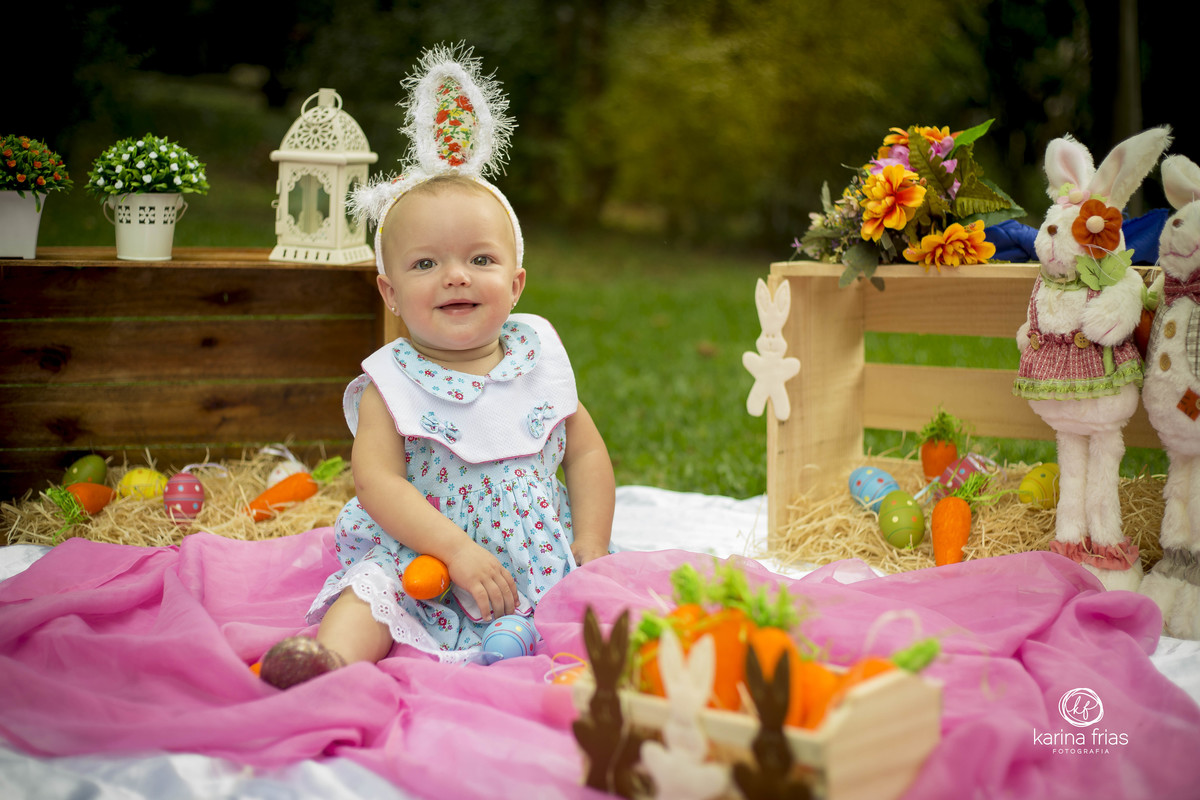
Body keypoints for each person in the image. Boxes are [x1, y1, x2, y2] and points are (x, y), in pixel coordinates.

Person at [259, 46, 615, 689]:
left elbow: (584, 453)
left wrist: (590, 544)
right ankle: (327, 662)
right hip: (423, 552)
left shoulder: (535, 354)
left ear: (516, 282)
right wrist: (453, 549)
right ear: (389, 293)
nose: (455, 275)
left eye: (479, 259)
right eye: (425, 264)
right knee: (370, 593)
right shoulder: (391, 382)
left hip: (531, 559)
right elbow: (378, 484)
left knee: (592, 614)